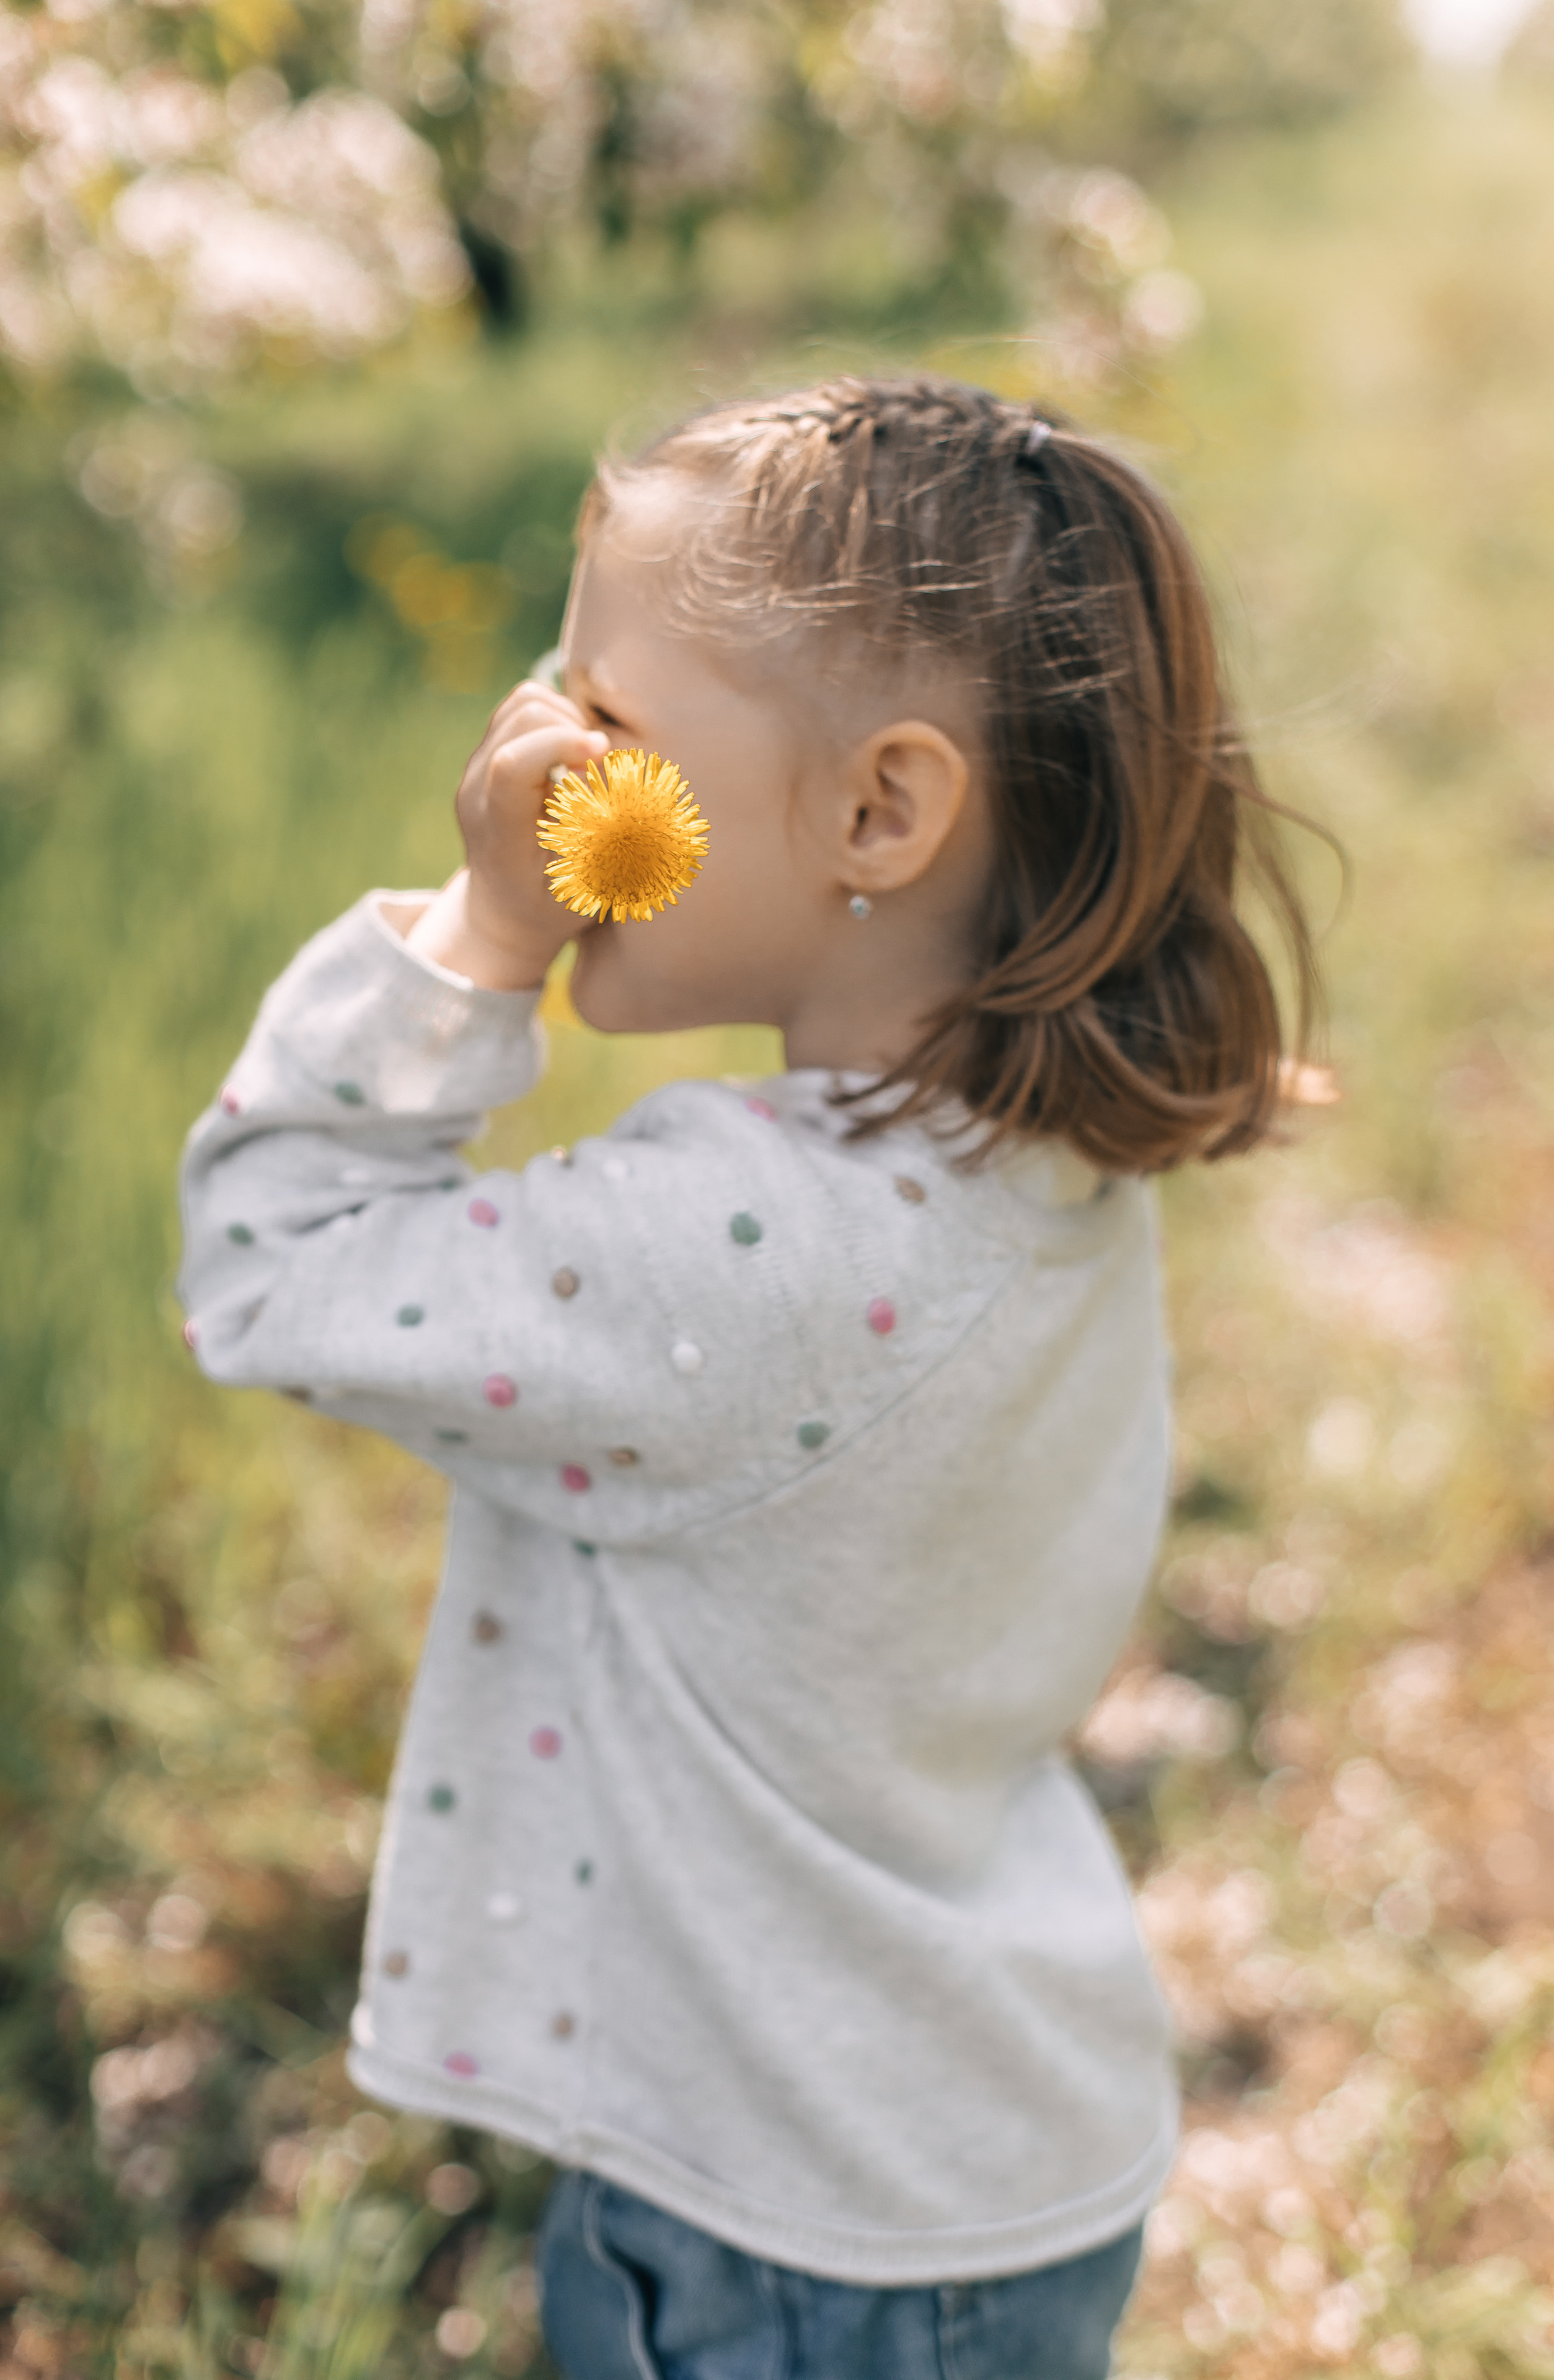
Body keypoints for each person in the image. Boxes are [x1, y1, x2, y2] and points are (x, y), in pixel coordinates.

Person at [179, 374, 1317, 2379]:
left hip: (781, 2225)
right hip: (974, 2148)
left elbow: (266, 1266)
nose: (536, 754)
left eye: (605, 719)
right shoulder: (1029, 1154)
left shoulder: (750, 1250)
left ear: (881, 812)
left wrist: (475, 936)